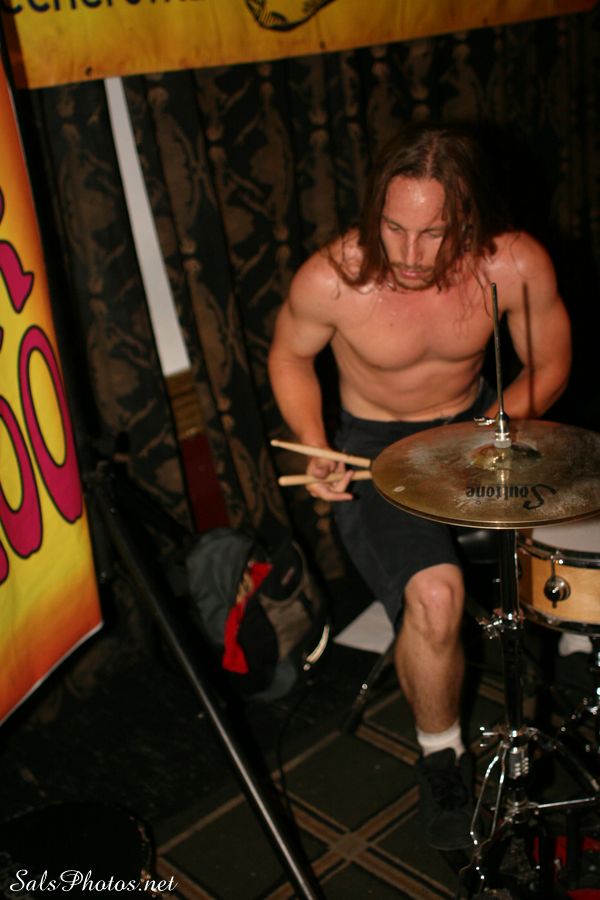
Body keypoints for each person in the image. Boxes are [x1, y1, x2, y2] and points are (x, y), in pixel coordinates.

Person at [267, 123, 571, 850]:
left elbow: (549, 367)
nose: (408, 255)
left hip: (478, 426)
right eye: (393, 227)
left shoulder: (512, 264)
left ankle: (579, 665)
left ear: (469, 218)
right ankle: (440, 757)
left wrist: (488, 430)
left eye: (433, 233)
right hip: (378, 449)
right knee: (436, 598)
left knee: (586, 523)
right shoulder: (333, 277)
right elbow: (289, 356)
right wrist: (315, 441)